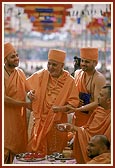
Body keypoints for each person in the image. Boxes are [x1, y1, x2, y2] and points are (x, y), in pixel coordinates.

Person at [26, 49, 79, 155]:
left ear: (62, 65)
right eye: (49, 64)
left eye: (54, 65)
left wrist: (60, 109)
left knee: (55, 155)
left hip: (57, 123)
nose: (50, 67)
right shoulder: (41, 75)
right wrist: (29, 95)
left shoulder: (70, 81)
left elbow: (74, 104)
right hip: (39, 122)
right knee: (36, 154)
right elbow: (27, 87)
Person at [56, 85, 111, 163]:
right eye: (99, 94)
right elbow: (88, 130)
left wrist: (74, 128)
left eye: (101, 95)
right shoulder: (99, 111)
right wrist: (72, 129)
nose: (98, 97)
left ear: (109, 100)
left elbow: (99, 140)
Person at [4, 42, 32, 163]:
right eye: (12, 56)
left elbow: (29, 89)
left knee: (19, 144)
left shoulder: (20, 73)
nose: (16, 58)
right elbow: (3, 98)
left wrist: (31, 94)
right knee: (5, 143)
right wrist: (24, 104)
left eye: (16, 55)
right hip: (5, 116)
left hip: (19, 118)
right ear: (5, 59)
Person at [72, 47, 106, 126]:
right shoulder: (77, 73)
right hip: (78, 115)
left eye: (87, 62)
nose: (83, 64)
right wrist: (76, 100)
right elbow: (72, 92)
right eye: (82, 61)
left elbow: (98, 102)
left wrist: (79, 108)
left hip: (93, 117)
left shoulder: (99, 78)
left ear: (95, 63)